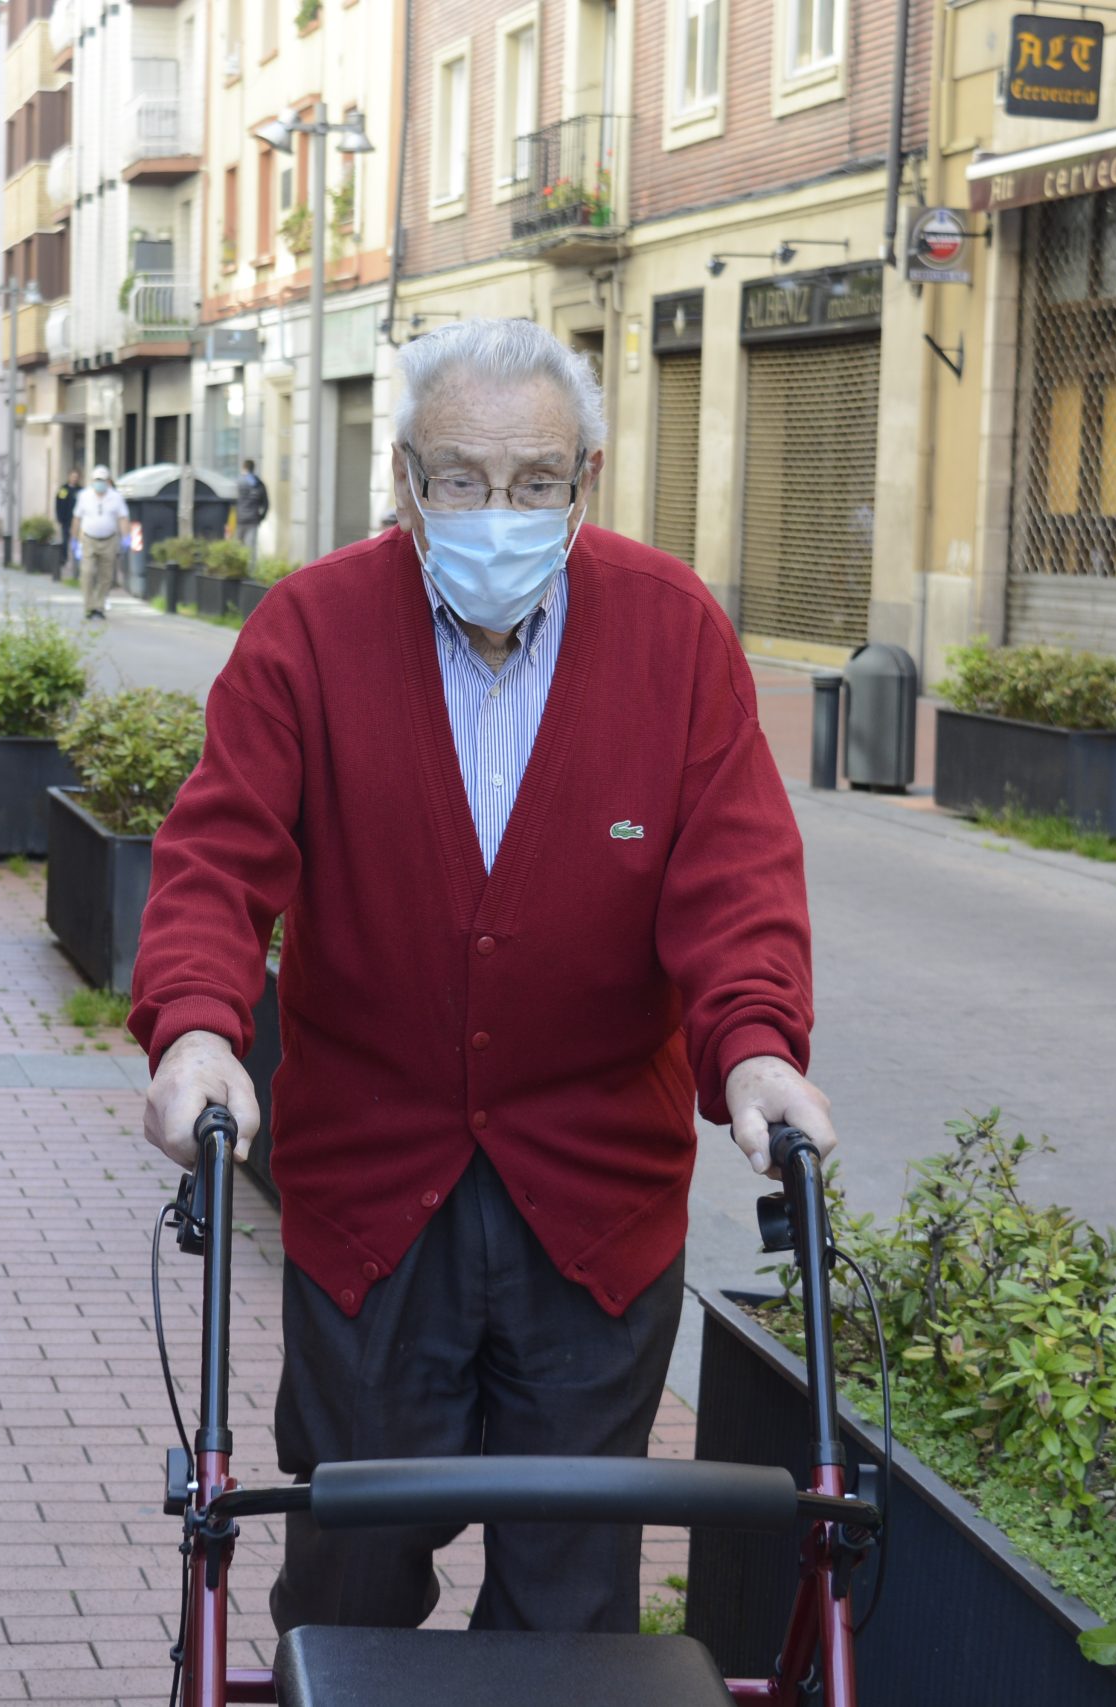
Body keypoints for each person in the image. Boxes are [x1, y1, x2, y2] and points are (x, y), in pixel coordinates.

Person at [129, 316, 831, 1637]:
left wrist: (756, 1047)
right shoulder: (312, 631)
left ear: (589, 481)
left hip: (596, 1197)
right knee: (351, 1564)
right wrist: (198, 1030)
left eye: (533, 482)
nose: (495, 510)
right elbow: (217, 859)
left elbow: (736, 882)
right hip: (373, 1192)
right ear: (403, 478)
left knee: (571, 1589)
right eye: (460, 478)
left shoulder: (674, 635)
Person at [75, 464, 130, 620]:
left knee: (106, 576)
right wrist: (75, 540)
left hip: (109, 539)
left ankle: (99, 606)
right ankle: (88, 606)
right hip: (89, 538)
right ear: (92, 481)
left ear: (108, 481)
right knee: (87, 572)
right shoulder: (84, 496)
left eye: (103, 480)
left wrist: (126, 537)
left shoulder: (116, 497)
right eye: (97, 480)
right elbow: (77, 518)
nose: (100, 483)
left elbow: (123, 518)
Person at [234, 458, 271, 567]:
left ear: (243, 467)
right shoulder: (259, 483)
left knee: (237, 548)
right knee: (250, 549)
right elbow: (266, 503)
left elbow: (231, 501)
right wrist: (261, 517)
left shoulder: (238, 481)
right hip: (253, 520)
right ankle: (249, 572)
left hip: (240, 519)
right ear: (253, 468)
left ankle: (238, 569)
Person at [54, 466, 82, 551]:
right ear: (69, 476)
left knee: (78, 540)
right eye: (73, 476)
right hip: (66, 520)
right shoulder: (63, 489)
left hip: (78, 520)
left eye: (76, 477)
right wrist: (59, 518)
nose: (74, 479)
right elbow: (59, 503)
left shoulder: (80, 490)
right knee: (65, 540)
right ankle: (64, 558)